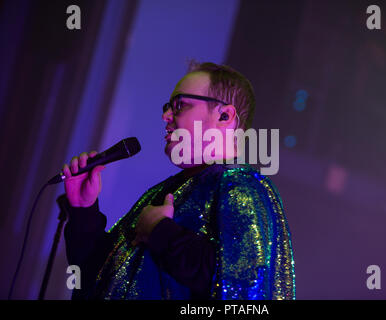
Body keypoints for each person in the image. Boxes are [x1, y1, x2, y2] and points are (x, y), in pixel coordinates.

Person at [63, 61, 295, 300]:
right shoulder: (166, 190)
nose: (165, 116)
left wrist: (161, 232)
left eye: (179, 105)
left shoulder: (242, 189)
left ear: (225, 116)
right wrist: (83, 210)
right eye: (168, 106)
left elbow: (243, 289)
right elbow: (95, 277)